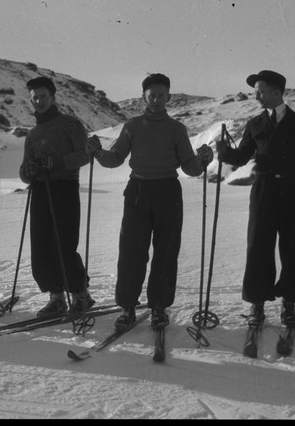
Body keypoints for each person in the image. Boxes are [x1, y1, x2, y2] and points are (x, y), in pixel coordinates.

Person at [86, 73, 213, 331]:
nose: (156, 99)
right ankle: (127, 306)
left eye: (161, 95)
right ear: (144, 96)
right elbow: (116, 157)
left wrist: (201, 161)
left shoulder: (177, 129)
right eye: (151, 95)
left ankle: (158, 307)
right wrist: (98, 152)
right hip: (138, 191)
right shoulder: (133, 126)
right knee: (132, 250)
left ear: (168, 97)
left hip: (168, 191)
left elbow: (189, 166)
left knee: (166, 251)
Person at [216, 70, 295, 330]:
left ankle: (289, 302)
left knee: (293, 247)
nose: (256, 96)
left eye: (260, 91)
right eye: (256, 91)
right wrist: (224, 153)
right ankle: (257, 303)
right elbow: (241, 157)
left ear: (277, 91)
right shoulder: (255, 124)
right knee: (258, 246)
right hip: (264, 189)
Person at [19, 76, 95, 318]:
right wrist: (29, 171)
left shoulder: (70, 124)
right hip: (40, 191)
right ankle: (57, 298)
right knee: (41, 246)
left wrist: (57, 162)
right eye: (34, 98)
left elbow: (84, 155)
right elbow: (23, 171)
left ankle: (80, 295)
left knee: (62, 245)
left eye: (42, 96)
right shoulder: (32, 134)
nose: (39, 101)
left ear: (53, 97)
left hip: (65, 188)